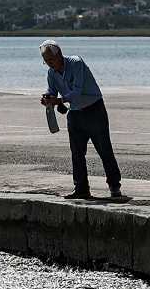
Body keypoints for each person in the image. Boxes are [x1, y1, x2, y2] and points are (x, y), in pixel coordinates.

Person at [39, 40, 123, 200]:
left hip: (94, 110)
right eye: (46, 61)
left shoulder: (76, 63)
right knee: (77, 153)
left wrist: (59, 101)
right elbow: (52, 91)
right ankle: (81, 188)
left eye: (51, 60)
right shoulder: (51, 73)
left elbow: (77, 91)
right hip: (75, 113)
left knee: (104, 149)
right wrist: (48, 99)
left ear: (60, 55)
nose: (49, 64)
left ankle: (114, 186)